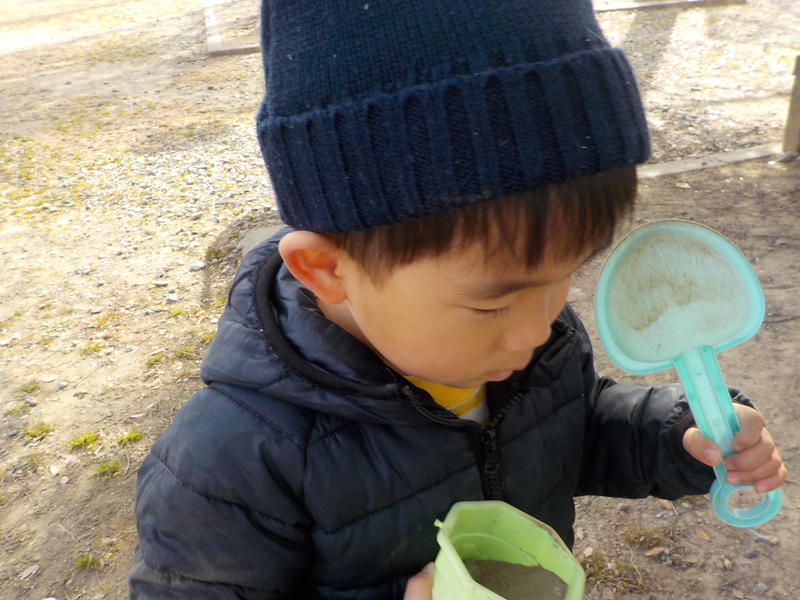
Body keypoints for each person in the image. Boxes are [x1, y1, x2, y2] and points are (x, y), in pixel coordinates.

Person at [129, 1, 787, 598]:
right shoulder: (232, 467)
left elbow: (569, 429)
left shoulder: (528, 341)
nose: (536, 329)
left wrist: (676, 438)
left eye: (562, 278)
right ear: (327, 270)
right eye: (492, 304)